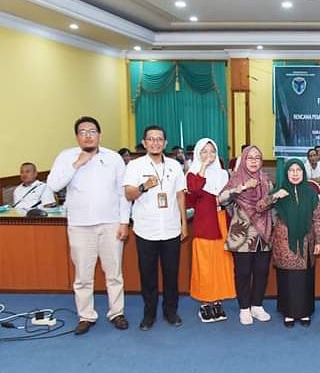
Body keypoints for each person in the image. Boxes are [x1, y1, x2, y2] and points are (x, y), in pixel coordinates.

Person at [47, 116, 131, 335]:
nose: (88, 136)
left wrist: (124, 222)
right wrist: (77, 164)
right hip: (80, 225)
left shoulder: (113, 158)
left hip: (111, 224)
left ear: (99, 135)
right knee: (83, 275)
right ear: (77, 136)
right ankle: (86, 316)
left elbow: (122, 193)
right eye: (82, 132)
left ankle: (117, 312)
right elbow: (53, 184)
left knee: (114, 273)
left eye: (92, 131)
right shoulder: (66, 157)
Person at [124, 125, 188, 331]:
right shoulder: (135, 166)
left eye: (159, 139)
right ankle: (149, 313)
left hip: (171, 228)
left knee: (171, 274)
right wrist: (144, 186)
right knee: (148, 274)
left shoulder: (174, 165)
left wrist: (184, 223)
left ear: (165, 143)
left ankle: (171, 311)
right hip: (146, 229)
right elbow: (128, 194)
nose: (155, 143)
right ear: (144, 143)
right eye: (151, 139)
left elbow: (180, 195)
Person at [220, 145, 279, 325]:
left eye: (257, 158)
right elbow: (221, 199)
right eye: (250, 158)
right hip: (243, 234)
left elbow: (272, 206)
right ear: (244, 160)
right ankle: (244, 308)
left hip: (264, 234)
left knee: (261, 271)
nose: (254, 161)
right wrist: (242, 188)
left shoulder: (266, 180)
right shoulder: (236, 179)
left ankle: (257, 305)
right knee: (243, 272)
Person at [186, 138, 236, 323]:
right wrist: (203, 167)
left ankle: (218, 300)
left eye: (212, 151)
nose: (209, 155)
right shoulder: (192, 173)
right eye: (204, 152)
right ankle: (205, 302)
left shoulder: (223, 173)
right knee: (205, 264)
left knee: (221, 264)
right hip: (205, 224)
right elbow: (195, 190)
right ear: (197, 154)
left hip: (222, 221)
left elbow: (228, 197)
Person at [272, 159, 320, 328]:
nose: (295, 174)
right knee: (287, 279)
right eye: (291, 170)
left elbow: (317, 218)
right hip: (285, 243)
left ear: (303, 172)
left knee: (304, 280)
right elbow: (259, 207)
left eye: (298, 170)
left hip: (305, 243)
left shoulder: (311, 193)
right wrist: (274, 197)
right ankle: (288, 312)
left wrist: (319, 241)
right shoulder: (279, 191)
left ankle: (304, 312)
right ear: (286, 173)